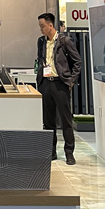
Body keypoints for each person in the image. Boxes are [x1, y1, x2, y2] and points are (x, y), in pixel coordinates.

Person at [36, 12, 82, 164]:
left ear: (50, 25)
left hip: (60, 84)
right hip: (45, 84)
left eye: (42, 26)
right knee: (48, 121)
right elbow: (40, 59)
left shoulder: (64, 41)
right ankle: (51, 152)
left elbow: (77, 62)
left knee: (65, 120)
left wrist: (71, 81)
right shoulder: (41, 41)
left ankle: (69, 153)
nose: (41, 29)